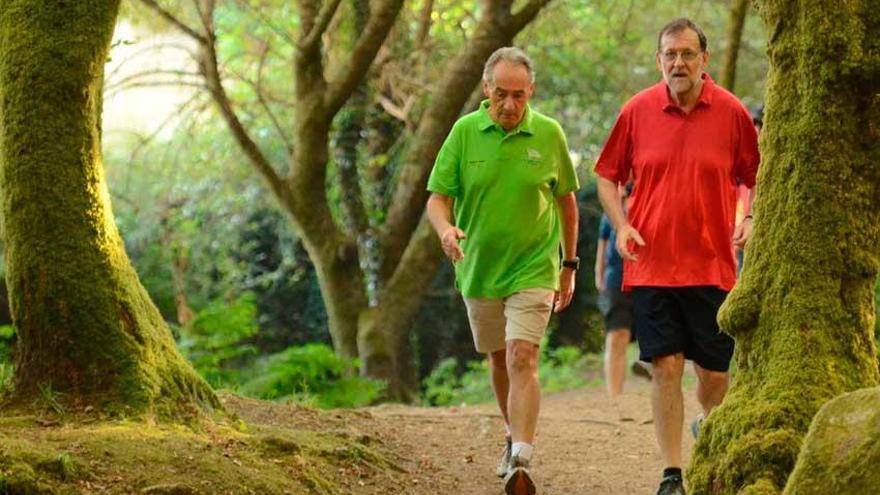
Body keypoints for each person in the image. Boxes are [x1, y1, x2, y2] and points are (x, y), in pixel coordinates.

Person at [594, 18, 759, 495]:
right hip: (652, 265)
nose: (678, 62)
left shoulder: (730, 113)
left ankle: (710, 428)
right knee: (665, 366)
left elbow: (754, 173)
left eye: (687, 54)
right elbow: (607, 175)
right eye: (670, 54)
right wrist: (622, 225)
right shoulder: (637, 111)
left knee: (714, 373)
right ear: (659, 60)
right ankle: (671, 473)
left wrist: (747, 218)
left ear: (704, 59)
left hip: (712, 263)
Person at [426, 46, 579, 495]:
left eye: (519, 95)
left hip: (534, 266)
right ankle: (512, 435)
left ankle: (522, 457)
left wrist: (569, 264)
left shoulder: (549, 134)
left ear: (531, 91)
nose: (510, 106)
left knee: (521, 356)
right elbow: (438, 196)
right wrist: (446, 230)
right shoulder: (464, 132)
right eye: (501, 95)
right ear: (486, 89)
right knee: (497, 358)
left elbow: (567, 203)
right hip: (478, 270)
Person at [595, 183, 650, 399]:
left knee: (649, 333)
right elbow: (602, 250)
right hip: (615, 280)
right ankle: (614, 396)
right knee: (617, 334)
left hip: (647, 279)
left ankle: (650, 371)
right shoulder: (608, 216)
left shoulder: (646, 207)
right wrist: (600, 279)